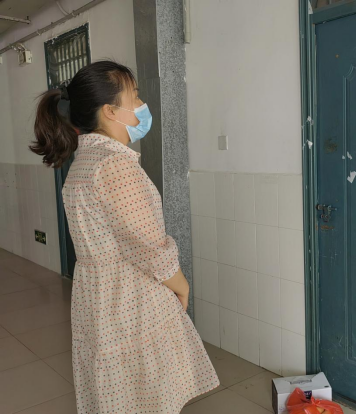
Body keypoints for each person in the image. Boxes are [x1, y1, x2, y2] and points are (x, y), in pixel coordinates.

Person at [30, 60, 219, 413]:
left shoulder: (84, 162)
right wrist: (181, 285)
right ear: (110, 111)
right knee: (148, 393)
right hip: (131, 299)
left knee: (119, 393)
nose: (142, 105)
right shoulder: (113, 165)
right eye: (135, 97)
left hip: (98, 296)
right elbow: (149, 247)